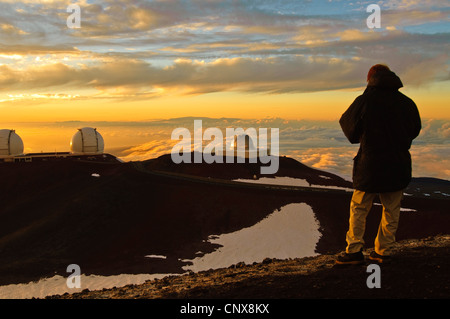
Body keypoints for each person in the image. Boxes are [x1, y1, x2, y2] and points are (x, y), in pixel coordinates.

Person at [336, 64, 421, 264]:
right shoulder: (406, 102)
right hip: (397, 163)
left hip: (369, 164)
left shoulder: (365, 101)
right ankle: (384, 250)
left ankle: (354, 250)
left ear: (370, 79)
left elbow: (349, 129)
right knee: (391, 208)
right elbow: (415, 129)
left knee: (359, 208)